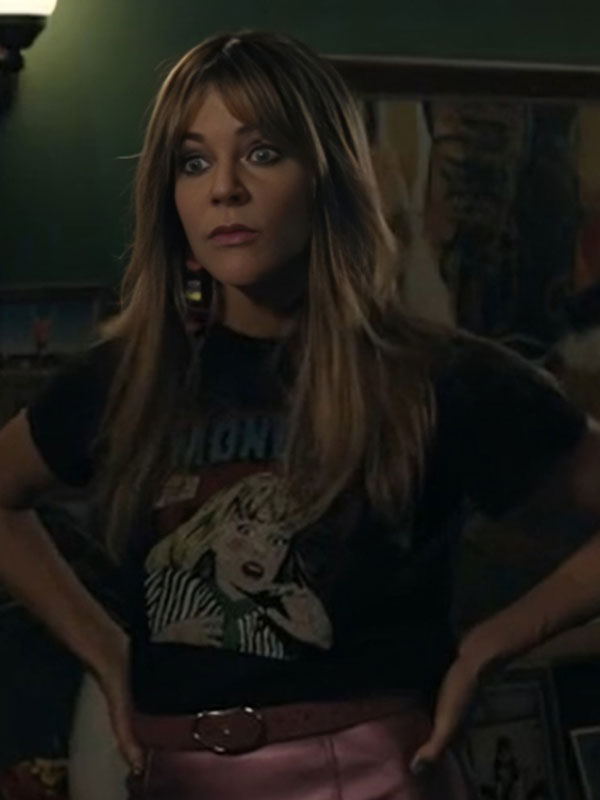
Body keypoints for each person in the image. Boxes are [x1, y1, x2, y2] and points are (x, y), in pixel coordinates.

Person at [1, 29, 600, 800]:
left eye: (260, 153)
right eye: (193, 162)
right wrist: (105, 651)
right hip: (175, 776)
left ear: (327, 176)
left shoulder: (435, 377)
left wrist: (498, 639)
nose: (224, 188)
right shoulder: (129, 379)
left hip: (371, 775)